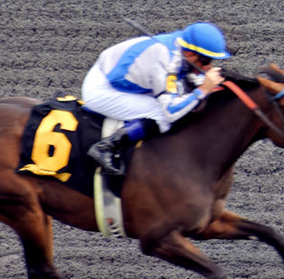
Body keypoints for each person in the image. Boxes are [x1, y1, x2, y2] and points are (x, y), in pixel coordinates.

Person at [79, 22, 231, 175]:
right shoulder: (168, 62)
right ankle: (105, 147)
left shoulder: (182, 46)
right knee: (162, 117)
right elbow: (171, 112)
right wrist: (203, 89)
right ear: (189, 53)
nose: (207, 67)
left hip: (120, 75)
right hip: (102, 89)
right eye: (205, 61)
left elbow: (187, 79)